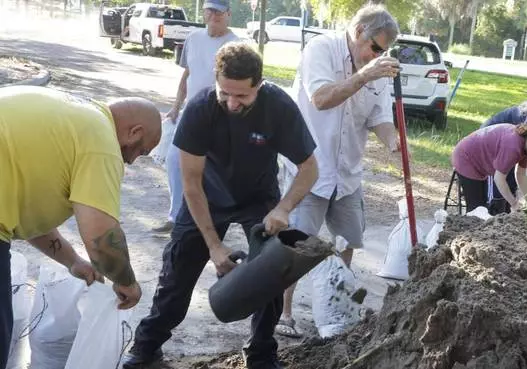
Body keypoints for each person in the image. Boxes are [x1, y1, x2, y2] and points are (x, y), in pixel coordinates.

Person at [122, 43, 318, 369]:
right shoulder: (200, 108)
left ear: (259, 84)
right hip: (207, 196)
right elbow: (191, 184)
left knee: (271, 271)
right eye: (225, 92)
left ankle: (260, 352)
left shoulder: (278, 107)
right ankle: (146, 346)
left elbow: (310, 168)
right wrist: (214, 245)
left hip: (258, 196)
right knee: (177, 275)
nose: (231, 102)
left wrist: (283, 208)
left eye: (242, 96)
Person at [0, 86, 161, 368]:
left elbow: (29, 209)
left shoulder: (74, 118)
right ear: (134, 132)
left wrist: (73, 261)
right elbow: (100, 232)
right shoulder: (101, 141)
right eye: (142, 151)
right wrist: (126, 282)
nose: (133, 160)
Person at [277, 4, 401, 339]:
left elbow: (379, 116)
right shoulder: (321, 49)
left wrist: (393, 141)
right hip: (310, 168)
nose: (377, 55)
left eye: (384, 51)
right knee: (297, 244)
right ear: (359, 31)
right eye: (375, 47)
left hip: (347, 174)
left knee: (346, 242)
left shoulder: (375, 68)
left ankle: (333, 310)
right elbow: (320, 99)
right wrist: (364, 75)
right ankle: (284, 314)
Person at [152, 0, 239, 234]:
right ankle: (176, 217)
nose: (214, 16)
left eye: (219, 12)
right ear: (204, 13)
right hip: (190, 113)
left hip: (220, 117)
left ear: (228, 15)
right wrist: (176, 105)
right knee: (173, 161)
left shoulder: (236, 45)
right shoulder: (193, 38)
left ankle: (209, 223)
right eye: (210, 11)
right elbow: (187, 75)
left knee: (211, 170)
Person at [452, 123, 527, 213]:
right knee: (477, 209)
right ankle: (468, 234)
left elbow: (520, 174)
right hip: (466, 158)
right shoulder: (513, 147)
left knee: (482, 206)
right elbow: (499, 178)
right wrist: (514, 203)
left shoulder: (526, 143)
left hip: (478, 159)